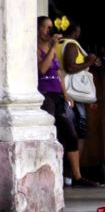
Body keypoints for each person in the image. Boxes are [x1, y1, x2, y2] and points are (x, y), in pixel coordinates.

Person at [36, 16, 82, 186]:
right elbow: (42, 69)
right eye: (45, 27)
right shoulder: (36, 48)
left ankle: (76, 176)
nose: (49, 31)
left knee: (70, 133)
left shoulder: (52, 48)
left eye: (50, 27)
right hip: (44, 93)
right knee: (50, 133)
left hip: (57, 94)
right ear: (38, 29)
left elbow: (59, 73)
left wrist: (66, 94)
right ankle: (48, 173)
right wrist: (53, 47)